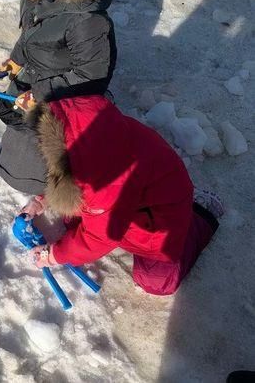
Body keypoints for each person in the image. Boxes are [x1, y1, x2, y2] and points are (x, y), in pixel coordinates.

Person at [22, 95, 222, 296]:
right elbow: (64, 169)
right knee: (71, 219)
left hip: (161, 215)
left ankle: (199, 215)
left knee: (156, 282)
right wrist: (45, 199)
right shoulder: (82, 126)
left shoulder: (104, 181)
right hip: (136, 195)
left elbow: (98, 237)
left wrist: (54, 255)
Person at [0, 0, 117, 195]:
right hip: (40, 79)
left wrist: (42, 93)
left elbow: (92, 75)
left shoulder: (85, 20)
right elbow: (30, 34)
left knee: (44, 168)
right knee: (16, 153)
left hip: (69, 97)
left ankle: (54, 189)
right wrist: (17, 59)